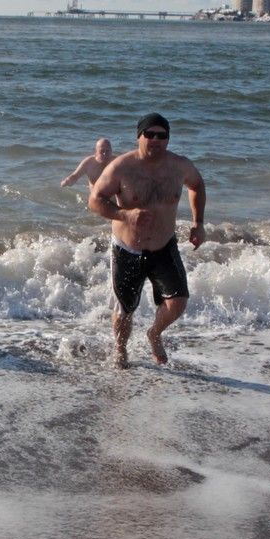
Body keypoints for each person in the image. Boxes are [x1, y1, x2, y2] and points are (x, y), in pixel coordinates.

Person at [88, 113, 205, 367]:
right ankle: (121, 350)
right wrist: (125, 215)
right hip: (128, 248)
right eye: (149, 134)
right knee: (125, 310)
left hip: (164, 246)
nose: (155, 140)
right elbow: (95, 200)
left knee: (178, 302)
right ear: (139, 136)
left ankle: (154, 333)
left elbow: (197, 185)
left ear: (168, 139)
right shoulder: (121, 167)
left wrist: (198, 223)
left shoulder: (179, 166)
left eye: (162, 136)